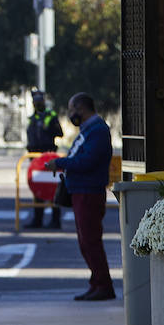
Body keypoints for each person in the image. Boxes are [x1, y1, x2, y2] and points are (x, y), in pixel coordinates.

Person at [44, 93, 116, 301]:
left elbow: (87, 161)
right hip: (80, 190)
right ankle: (96, 283)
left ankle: (103, 285)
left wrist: (61, 163)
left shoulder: (98, 131)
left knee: (91, 240)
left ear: (81, 108)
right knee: (85, 241)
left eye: (71, 109)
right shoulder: (88, 130)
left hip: (89, 191)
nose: (70, 114)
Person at [25, 89, 64, 229]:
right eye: (35, 101)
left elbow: (60, 133)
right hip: (35, 160)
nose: (37, 103)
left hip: (48, 158)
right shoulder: (32, 119)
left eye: (39, 100)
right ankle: (38, 219)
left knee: (53, 189)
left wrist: (49, 129)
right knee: (38, 190)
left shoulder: (51, 116)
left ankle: (55, 220)